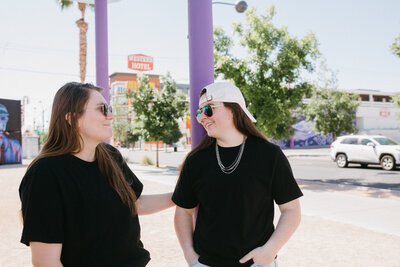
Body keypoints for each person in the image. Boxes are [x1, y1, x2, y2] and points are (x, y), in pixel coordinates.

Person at [19, 82, 174, 267]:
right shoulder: (45, 174)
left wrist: (184, 195)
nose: (110, 115)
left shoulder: (111, 156)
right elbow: (46, 262)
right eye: (102, 109)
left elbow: (136, 203)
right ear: (71, 118)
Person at [172, 82, 303, 267]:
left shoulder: (269, 155)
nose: (201, 118)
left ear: (233, 109)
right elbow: (183, 211)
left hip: (257, 264)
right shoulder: (196, 160)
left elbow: (291, 210)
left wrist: (269, 251)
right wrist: (191, 257)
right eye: (198, 113)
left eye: (208, 109)